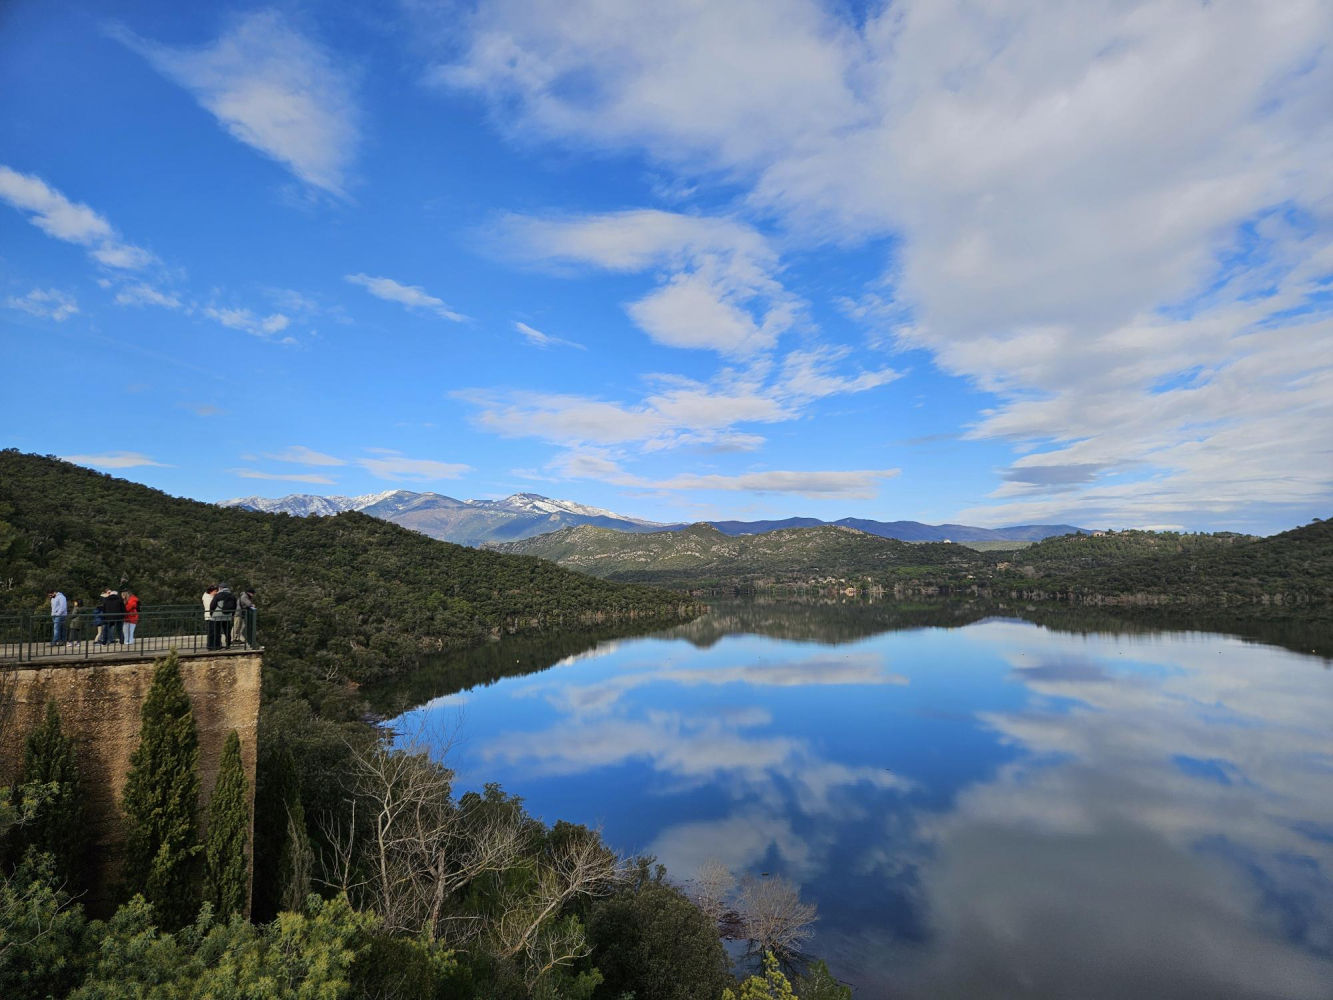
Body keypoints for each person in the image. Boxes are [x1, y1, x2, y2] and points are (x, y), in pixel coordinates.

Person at [210, 583, 237, 650]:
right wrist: (232, 614)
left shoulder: (218, 595)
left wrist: (211, 613)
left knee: (217, 631)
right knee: (227, 631)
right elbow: (234, 606)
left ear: (220, 588)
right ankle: (228, 645)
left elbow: (212, 605)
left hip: (217, 615)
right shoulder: (232, 596)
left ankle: (217, 646)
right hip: (228, 616)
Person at [203, 585, 218, 649]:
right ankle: (210, 646)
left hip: (211, 616)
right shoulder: (208, 598)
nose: (216, 593)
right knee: (211, 632)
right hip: (210, 616)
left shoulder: (208, 597)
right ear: (211, 592)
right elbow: (211, 606)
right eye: (215, 591)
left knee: (213, 632)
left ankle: (213, 645)